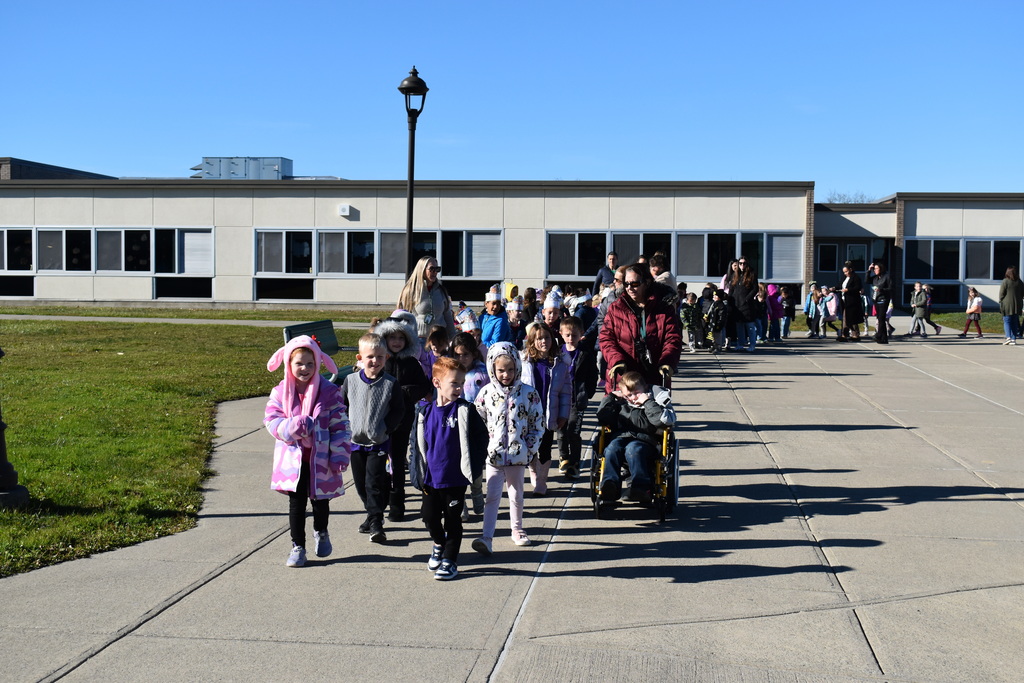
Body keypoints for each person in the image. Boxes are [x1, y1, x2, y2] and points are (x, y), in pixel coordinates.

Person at [265, 335, 352, 568]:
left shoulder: (330, 392)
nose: (305, 368)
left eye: (310, 363)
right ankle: (297, 547)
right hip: (293, 462)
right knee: (297, 504)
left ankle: (321, 531)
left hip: (322, 459)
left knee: (321, 502)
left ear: (318, 364)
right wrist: (291, 427)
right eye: (299, 363)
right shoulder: (281, 392)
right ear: (288, 364)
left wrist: (341, 453)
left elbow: (341, 424)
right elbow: (271, 421)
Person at [408, 356, 487, 581]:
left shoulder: (465, 410)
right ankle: (438, 543)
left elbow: (481, 439)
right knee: (429, 517)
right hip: (431, 479)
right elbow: (416, 445)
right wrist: (417, 472)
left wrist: (474, 465)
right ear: (437, 383)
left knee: (453, 520)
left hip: (455, 478)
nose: (459, 388)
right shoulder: (424, 413)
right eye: (454, 383)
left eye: (461, 383)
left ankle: (450, 561)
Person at [472, 342, 544, 554]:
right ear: (492, 369)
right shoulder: (485, 393)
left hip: (518, 455)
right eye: (501, 370)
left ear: (518, 368)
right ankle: (487, 537)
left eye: (510, 369)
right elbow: (478, 422)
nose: (506, 374)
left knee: (516, 494)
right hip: (493, 456)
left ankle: (517, 529)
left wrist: (529, 449)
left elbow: (537, 423)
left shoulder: (529, 393)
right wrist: (484, 446)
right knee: (492, 497)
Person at [340, 333, 405, 544]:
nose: (374, 361)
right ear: (360, 358)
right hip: (356, 442)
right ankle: (371, 515)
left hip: (379, 442)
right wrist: (345, 427)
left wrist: (386, 428)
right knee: (360, 485)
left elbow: (398, 410)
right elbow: (343, 406)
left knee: (373, 483)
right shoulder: (350, 381)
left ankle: (377, 523)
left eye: (379, 357)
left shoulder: (390, 383)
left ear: (386, 357)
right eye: (370, 357)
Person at [374, 311, 432, 523]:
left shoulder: (411, 363)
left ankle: (397, 502)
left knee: (398, 461)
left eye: (400, 338)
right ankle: (378, 505)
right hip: (380, 421)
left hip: (403, 419)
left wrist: (404, 393)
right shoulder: (380, 362)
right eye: (392, 338)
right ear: (385, 339)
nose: (396, 342)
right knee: (378, 462)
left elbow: (424, 387)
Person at [595, 370, 676, 505]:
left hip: (646, 441)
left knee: (633, 449)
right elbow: (602, 417)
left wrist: (647, 402)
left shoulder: (652, 401)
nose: (632, 398)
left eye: (636, 393)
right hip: (620, 438)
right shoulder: (621, 403)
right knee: (611, 449)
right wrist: (610, 398)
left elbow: (660, 421)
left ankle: (641, 487)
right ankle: (610, 485)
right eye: (628, 395)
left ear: (645, 388)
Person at [599, 262, 682, 388]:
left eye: (635, 284)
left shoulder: (664, 307)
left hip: (655, 375)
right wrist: (616, 360)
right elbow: (606, 337)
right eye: (626, 284)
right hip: (624, 378)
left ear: (647, 283)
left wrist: (667, 361)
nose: (629, 288)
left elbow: (672, 338)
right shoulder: (616, 308)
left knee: (653, 407)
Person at [520, 322, 571, 496]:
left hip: (549, 413)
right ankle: (534, 472)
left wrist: (564, 415)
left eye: (547, 337)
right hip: (529, 415)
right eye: (539, 338)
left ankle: (542, 481)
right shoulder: (525, 362)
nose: (544, 342)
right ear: (532, 341)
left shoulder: (559, 364)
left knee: (546, 447)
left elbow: (565, 392)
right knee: (530, 447)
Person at [557, 316, 597, 478]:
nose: (571, 339)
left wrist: (587, 393)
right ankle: (564, 457)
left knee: (574, 431)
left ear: (581, 333)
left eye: (574, 335)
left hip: (576, 399)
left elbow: (592, 375)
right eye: (567, 335)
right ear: (561, 334)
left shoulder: (585, 354)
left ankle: (574, 462)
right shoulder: (558, 352)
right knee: (561, 430)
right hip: (560, 398)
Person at [397, 256, 457, 341]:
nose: (435, 272)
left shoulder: (441, 291)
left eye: (437, 269)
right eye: (431, 269)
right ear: (422, 269)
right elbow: (403, 316)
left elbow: (448, 316)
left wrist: (453, 339)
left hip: (439, 340)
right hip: (418, 339)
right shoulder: (410, 291)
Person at [729, 256, 760, 352]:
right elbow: (731, 289)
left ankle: (752, 344)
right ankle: (740, 344)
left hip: (747, 305)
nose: (742, 265)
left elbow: (755, 289)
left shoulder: (752, 274)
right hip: (737, 304)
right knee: (739, 326)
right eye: (740, 263)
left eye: (744, 263)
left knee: (750, 326)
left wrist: (747, 299)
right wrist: (730, 299)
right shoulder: (735, 275)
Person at [867, 261, 892, 344]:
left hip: (883, 300)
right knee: (880, 319)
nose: (875, 270)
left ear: (881, 269)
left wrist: (881, 290)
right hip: (876, 300)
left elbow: (891, 289)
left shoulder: (887, 277)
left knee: (881, 318)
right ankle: (884, 339)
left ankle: (878, 334)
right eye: (874, 269)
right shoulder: (875, 278)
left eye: (877, 268)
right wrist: (869, 270)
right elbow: (867, 281)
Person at [998, 266, 1024, 345]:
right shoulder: (1019, 282)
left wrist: (1000, 301)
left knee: (1007, 321)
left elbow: (1001, 294)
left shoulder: (1005, 281)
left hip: (1007, 304)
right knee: (1014, 322)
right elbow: (1023, 294)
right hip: (1017, 304)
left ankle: (1008, 337)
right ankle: (1013, 338)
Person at [838, 262, 863, 341]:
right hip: (844, 301)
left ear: (851, 270)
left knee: (852, 318)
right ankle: (845, 334)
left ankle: (855, 334)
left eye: (846, 271)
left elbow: (857, 287)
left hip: (852, 301)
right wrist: (833, 288)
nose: (845, 273)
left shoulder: (856, 278)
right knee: (845, 318)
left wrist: (848, 290)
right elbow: (839, 285)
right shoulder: (844, 278)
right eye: (844, 272)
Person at [706, 288, 728, 353]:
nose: (714, 297)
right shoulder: (713, 304)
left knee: (717, 336)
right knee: (712, 336)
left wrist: (719, 324)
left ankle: (718, 347)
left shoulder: (721, 306)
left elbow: (722, 316)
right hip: (712, 323)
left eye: (716, 296)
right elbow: (710, 312)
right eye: (713, 296)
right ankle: (713, 346)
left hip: (717, 324)